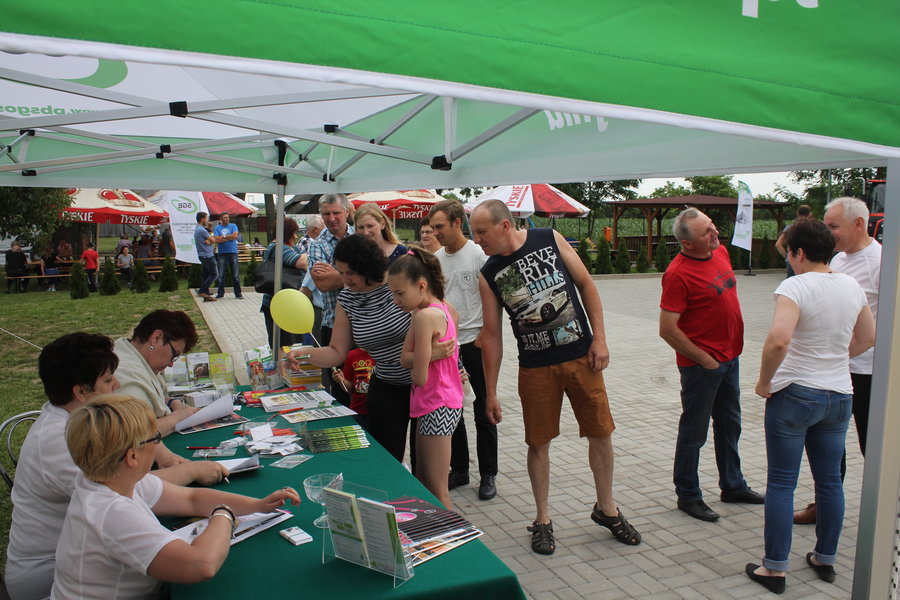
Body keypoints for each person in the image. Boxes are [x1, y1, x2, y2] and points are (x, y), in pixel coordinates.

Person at [472, 199, 640, 555]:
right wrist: (490, 392)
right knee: (538, 443)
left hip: (582, 358)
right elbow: (492, 335)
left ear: (504, 226)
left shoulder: (548, 237)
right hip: (535, 368)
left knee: (600, 432)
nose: (478, 240)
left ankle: (607, 508)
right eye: (474, 233)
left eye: (481, 232)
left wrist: (600, 338)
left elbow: (586, 285)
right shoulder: (488, 274)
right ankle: (543, 519)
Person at [5, 333, 229, 600]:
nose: (118, 385)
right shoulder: (62, 440)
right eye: (109, 380)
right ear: (81, 392)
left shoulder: (73, 421)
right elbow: (140, 488)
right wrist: (196, 477)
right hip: (48, 577)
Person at [51, 394, 300, 600]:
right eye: (155, 439)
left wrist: (257, 505)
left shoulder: (110, 480)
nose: (158, 444)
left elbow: (191, 498)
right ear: (132, 457)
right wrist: (224, 514)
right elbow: (201, 565)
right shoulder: (113, 511)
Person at [745, 219, 875, 594]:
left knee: (783, 483)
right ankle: (825, 557)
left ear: (799, 252)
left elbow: (778, 341)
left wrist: (764, 381)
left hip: (796, 393)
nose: (789, 259)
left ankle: (775, 568)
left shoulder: (795, 285)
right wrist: (835, 358)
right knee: (830, 481)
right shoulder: (851, 285)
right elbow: (867, 337)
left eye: (789, 252)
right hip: (839, 395)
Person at [659, 207, 763, 522]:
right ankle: (688, 495)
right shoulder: (678, 274)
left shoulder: (719, 254)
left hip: (730, 359)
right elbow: (667, 329)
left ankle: (733, 485)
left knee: (730, 425)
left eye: (712, 226)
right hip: (702, 367)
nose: (715, 233)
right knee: (695, 431)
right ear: (688, 243)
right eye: (707, 232)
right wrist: (704, 360)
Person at [793, 196, 882, 525]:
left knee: (872, 444)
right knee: (828, 446)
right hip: (836, 373)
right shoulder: (839, 259)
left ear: (859, 224)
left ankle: (883, 509)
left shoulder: (882, 261)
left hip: (869, 372)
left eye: (834, 227)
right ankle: (825, 504)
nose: (828, 234)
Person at [289, 234, 416, 462]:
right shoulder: (347, 299)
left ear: (367, 267)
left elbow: (440, 315)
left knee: (425, 465)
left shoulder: (398, 285)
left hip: (422, 385)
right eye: (341, 272)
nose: (344, 279)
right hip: (385, 387)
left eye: (350, 273)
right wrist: (303, 352)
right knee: (388, 461)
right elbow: (337, 351)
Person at [428, 199, 498, 501]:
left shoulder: (479, 255)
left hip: (476, 344)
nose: (436, 233)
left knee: (484, 410)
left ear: (458, 223)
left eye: (440, 227)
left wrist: (486, 333)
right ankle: (459, 469)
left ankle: (488, 474)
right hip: (448, 348)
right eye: (432, 228)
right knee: (452, 411)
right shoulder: (436, 259)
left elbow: (494, 299)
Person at [388, 248, 463, 510]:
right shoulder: (440, 308)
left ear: (421, 285)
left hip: (435, 403)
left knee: (437, 490)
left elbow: (418, 375)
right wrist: (429, 354)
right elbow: (404, 358)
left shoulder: (423, 316)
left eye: (399, 293)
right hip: (442, 402)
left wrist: (423, 356)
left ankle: (459, 542)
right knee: (425, 483)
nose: (396, 301)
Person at [113, 310, 199, 440]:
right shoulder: (123, 371)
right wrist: (178, 417)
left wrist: (171, 402)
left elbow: (148, 397)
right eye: (174, 355)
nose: (171, 364)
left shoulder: (133, 355)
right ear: (156, 338)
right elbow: (136, 434)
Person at [307, 194, 354, 395]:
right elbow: (323, 283)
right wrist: (358, 275)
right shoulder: (317, 245)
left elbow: (375, 276)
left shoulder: (360, 236)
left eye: (336, 212)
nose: (332, 218)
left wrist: (335, 274)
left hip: (363, 325)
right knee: (340, 387)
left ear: (346, 212)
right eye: (326, 213)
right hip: (333, 325)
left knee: (363, 383)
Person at [260, 217, 306, 349]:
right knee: (281, 343)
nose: (296, 236)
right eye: (294, 232)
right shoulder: (279, 248)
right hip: (279, 303)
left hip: (283, 302)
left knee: (285, 341)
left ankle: (283, 368)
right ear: (287, 233)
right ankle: (282, 369)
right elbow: (302, 262)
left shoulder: (280, 247)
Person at [334, 347, 374, 430]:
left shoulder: (383, 354)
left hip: (380, 409)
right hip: (358, 409)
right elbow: (348, 387)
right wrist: (342, 380)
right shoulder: (352, 355)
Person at [775, 204, 812, 277]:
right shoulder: (813, 228)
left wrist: (787, 256)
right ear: (810, 214)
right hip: (808, 260)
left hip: (792, 260)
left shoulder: (790, 227)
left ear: (797, 213)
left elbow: (778, 244)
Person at [213, 211, 242, 299]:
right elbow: (217, 239)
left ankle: (238, 293)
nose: (227, 219)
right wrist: (229, 237)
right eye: (225, 217)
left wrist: (224, 237)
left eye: (228, 217)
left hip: (232, 252)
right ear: (221, 219)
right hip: (222, 253)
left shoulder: (233, 226)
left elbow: (235, 236)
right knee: (221, 274)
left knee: (235, 275)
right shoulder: (217, 228)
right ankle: (220, 293)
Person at [194, 211, 218, 302]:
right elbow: (213, 239)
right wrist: (211, 240)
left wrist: (210, 240)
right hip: (207, 255)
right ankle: (202, 291)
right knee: (214, 274)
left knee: (206, 275)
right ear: (202, 219)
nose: (207, 220)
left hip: (203, 255)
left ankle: (206, 296)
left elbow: (210, 239)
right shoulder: (202, 230)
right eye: (206, 218)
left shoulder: (198, 229)